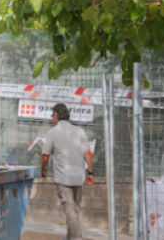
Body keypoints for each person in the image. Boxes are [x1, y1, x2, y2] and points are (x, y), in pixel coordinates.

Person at [41, 103, 94, 240]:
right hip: (78, 177)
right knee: (74, 210)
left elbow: (45, 156)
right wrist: (91, 173)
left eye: (52, 115)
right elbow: (87, 153)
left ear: (56, 116)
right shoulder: (79, 131)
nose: (52, 118)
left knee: (70, 211)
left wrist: (43, 169)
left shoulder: (52, 133)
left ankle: (76, 237)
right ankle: (70, 237)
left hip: (63, 179)